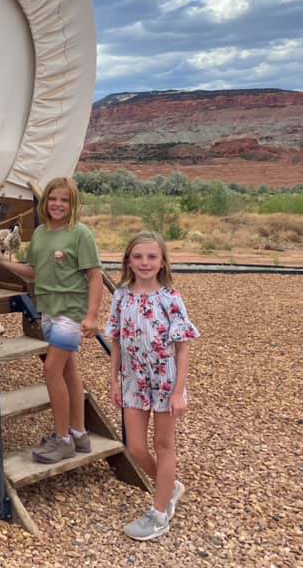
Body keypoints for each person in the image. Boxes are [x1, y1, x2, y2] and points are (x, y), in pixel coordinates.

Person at [0, 177, 102, 463]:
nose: (58, 204)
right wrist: (1, 263)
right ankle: (78, 433)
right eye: (53, 199)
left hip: (71, 311)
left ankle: (62, 440)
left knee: (50, 370)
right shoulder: (40, 234)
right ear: (45, 202)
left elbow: (95, 275)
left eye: (65, 200)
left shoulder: (80, 234)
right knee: (68, 370)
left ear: (73, 204)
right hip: (47, 309)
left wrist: (93, 315)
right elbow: (35, 272)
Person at [106, 231, 200, 541]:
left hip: (165, 381)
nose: (144, 262)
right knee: (134, 446)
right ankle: (169, 485)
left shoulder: (170, 298)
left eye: (151, 257)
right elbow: (117, 341)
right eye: (138, 257)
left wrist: (178, 392)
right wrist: (114, 380)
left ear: (161, 262)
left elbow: (183, 347)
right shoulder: (121, 296)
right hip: (134, 380)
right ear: (128, 261)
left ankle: (160, 513)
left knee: (164, 444)